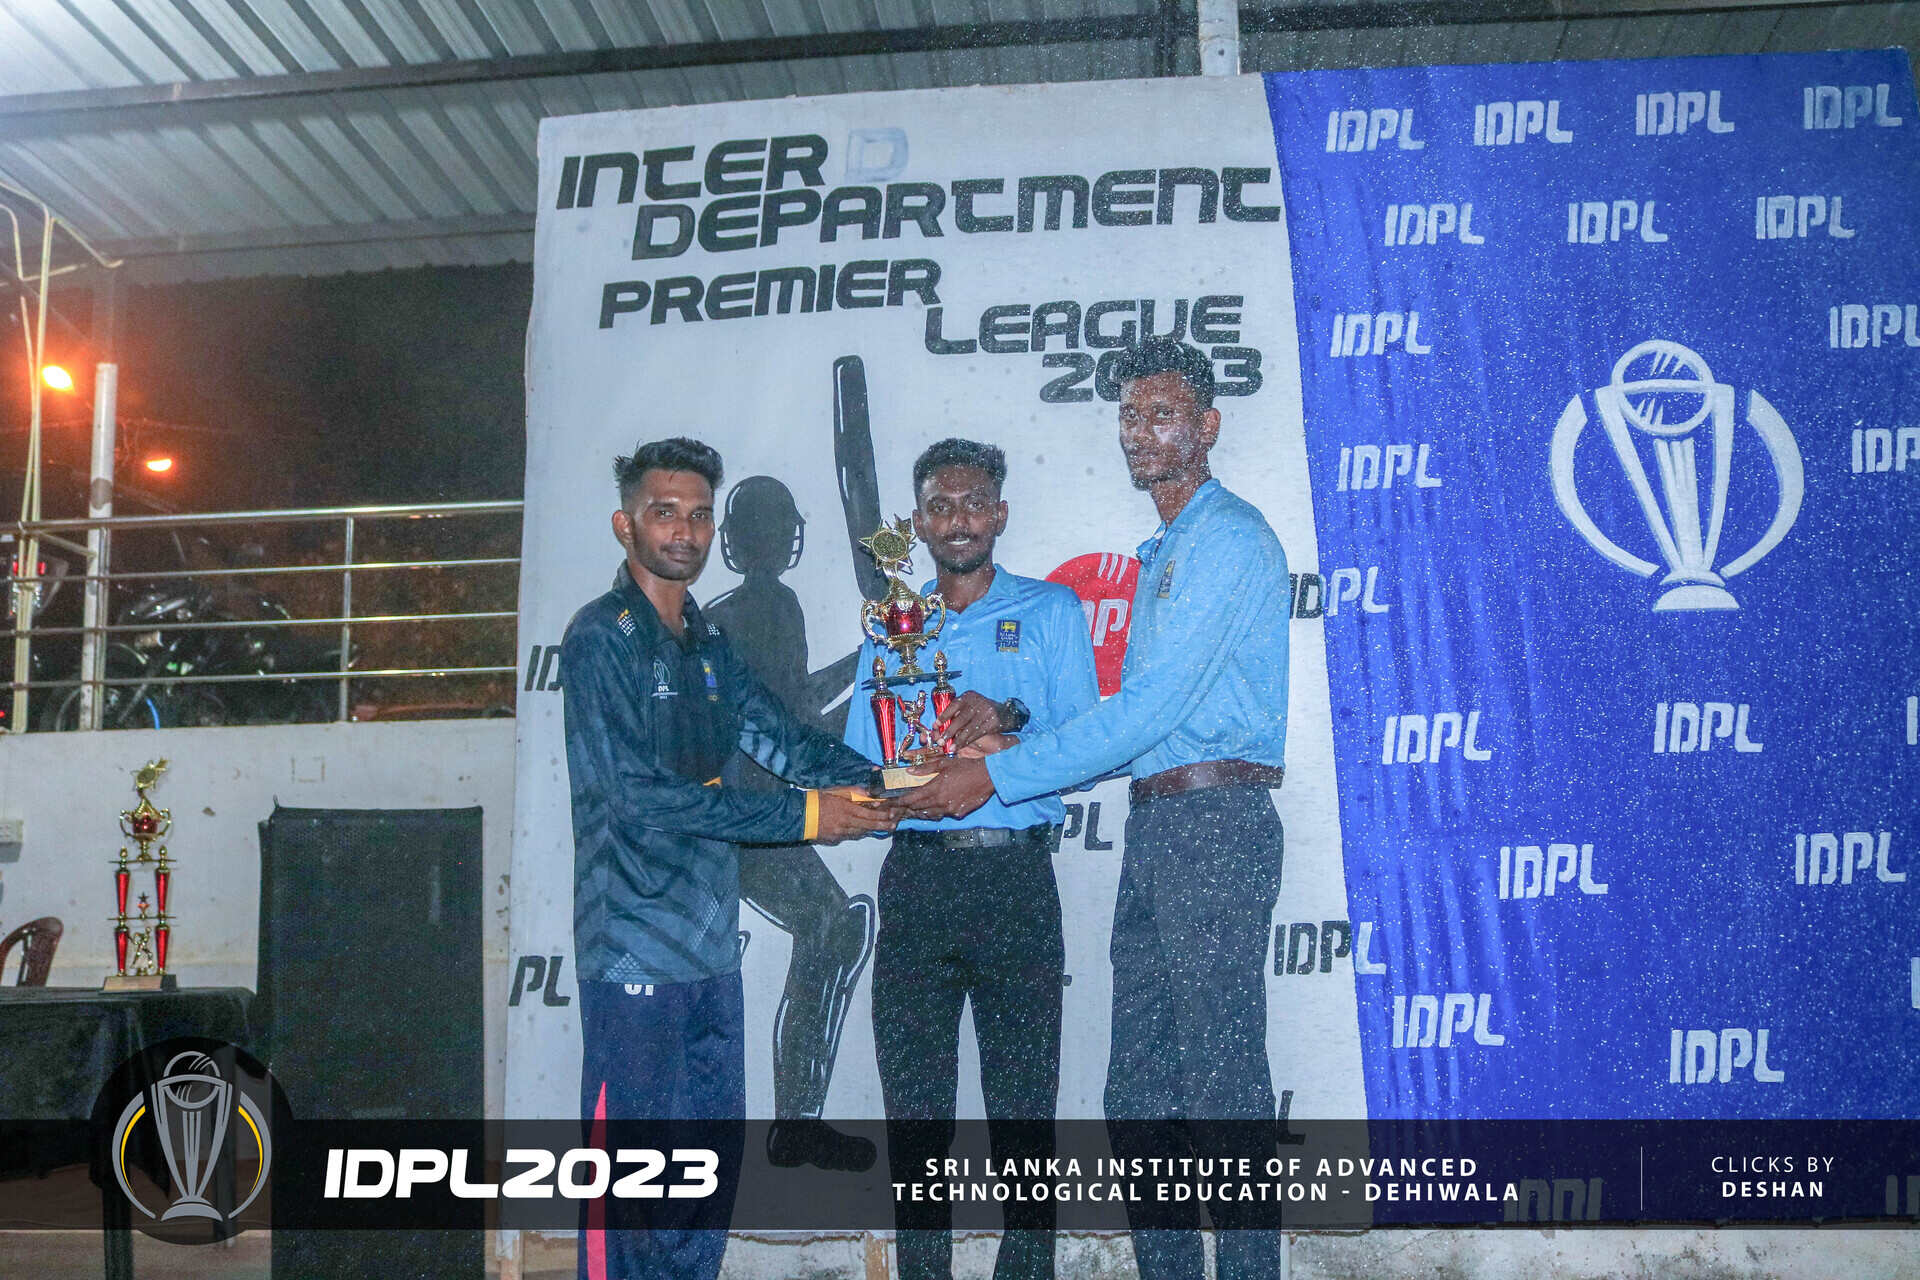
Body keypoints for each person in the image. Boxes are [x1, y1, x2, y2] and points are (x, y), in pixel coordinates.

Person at [905, 341, 1291, 1280]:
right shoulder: (1167, 548)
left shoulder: (1229, 538)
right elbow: (1119, 726)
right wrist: (1009, 740)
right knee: (1139, 1091)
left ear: (1206, 428)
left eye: (1163, 415)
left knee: (1223, 1085)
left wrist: (995, 775)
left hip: (1217, 820)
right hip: (1159, 823)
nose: (1142, 433)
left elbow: (1147, 712)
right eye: (1130, 415)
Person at [561, 437, 903, 1280]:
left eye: (698, 513)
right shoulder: (600, 639)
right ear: (625, 524)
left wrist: (902, 782)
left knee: (703, 1181)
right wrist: (806, 816)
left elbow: (786, 742)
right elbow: (637, 796)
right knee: (628, 1190)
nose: (686, 529)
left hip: (712, 958)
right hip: (635, 955)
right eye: (664, 511)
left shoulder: (711, 644)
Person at [844, 439, 1099, 1280]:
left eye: (974, 503)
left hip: (1016, 878)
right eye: (940, 507)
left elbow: (1090, 744)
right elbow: (864, 763)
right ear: (917, 523)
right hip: (918, 880)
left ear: (999, 514)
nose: (958, 521)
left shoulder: (1055, 610)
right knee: (916, 1114)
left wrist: (1004, 733)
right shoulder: (891, 626)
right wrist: (897, 785)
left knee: (1025, 1111)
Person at [705, 475, 880, 1173]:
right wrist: (871, 668)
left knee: (833, 925)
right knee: (836, 927)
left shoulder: (726, 610)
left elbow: (789, 708)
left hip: (745, 816)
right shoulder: (770, 606)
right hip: (755, 820)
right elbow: (794, 720)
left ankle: (791, 1122)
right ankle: (796, 1121)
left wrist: (867, 660)